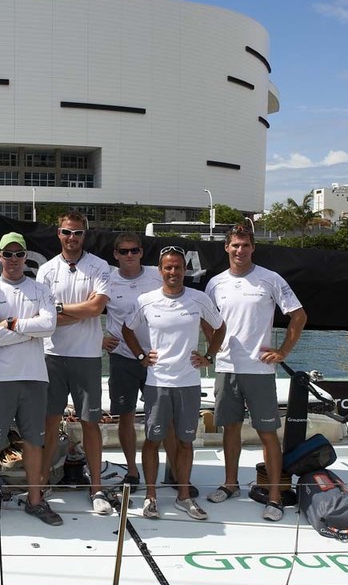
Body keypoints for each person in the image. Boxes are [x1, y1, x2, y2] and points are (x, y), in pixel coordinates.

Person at [204, 225, 306, 522]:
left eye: (245, 245)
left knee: (267, 434)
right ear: (226, 248)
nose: (240, 250)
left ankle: (274, 496)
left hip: (259, 369)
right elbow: (207, 320)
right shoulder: (215, 283)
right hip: (226, 368)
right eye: (235, 245)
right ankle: (230, 483)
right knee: (230, 428)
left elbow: (298, 316)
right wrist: (213, 349)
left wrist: (283, 351)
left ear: (252, 247)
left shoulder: (270, 279)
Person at [0, 232, 61, 534]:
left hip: (34, 376)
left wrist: (13, 324)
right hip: (0, 378)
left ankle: (35, 500)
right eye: (7, 254)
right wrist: (29, 330)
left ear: (26, 257)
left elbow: (49, 326)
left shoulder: (40, 289)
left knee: (35, 441)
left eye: (18, 253)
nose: (13, 259)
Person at [125, 245, 225, 521]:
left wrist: (209, 355)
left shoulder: (198, 298)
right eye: (167, 267)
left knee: (185, 441)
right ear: (160, 271)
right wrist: (141, 355)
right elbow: (127, 329)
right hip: (157, 382)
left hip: (188, 382)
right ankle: (151, 496)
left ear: (184, 270)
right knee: (153, 439)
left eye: (177, 267)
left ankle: (183, 496)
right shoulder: (145, 300)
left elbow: (219, 327)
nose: (173, 272)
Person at [36, 211, 111, 514]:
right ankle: (40, 483)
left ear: (85, 235)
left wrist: (60, 311)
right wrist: (64, 315)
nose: (72, 238)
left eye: (78, 233)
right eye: (67, 232)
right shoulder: (45, 270)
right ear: (59, 233)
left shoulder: (99, 266)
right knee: (49, 422)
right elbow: (44, 320)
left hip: (87, 356)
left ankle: (97, 488)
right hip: (52, 355)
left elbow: (96, 308)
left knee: (90, 423)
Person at [102, 232, 180, 493]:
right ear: (115, 255)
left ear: (141, 252)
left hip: (158, 358)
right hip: (123, 357)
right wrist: (98, 338)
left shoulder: (157, 275)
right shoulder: (106, 281)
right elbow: (89, 311)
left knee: (165, 418)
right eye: (123, 251)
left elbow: (180, 302)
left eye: (134, 250)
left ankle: (176, 473)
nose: (129, 256)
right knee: (126, 417)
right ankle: (133, 471)